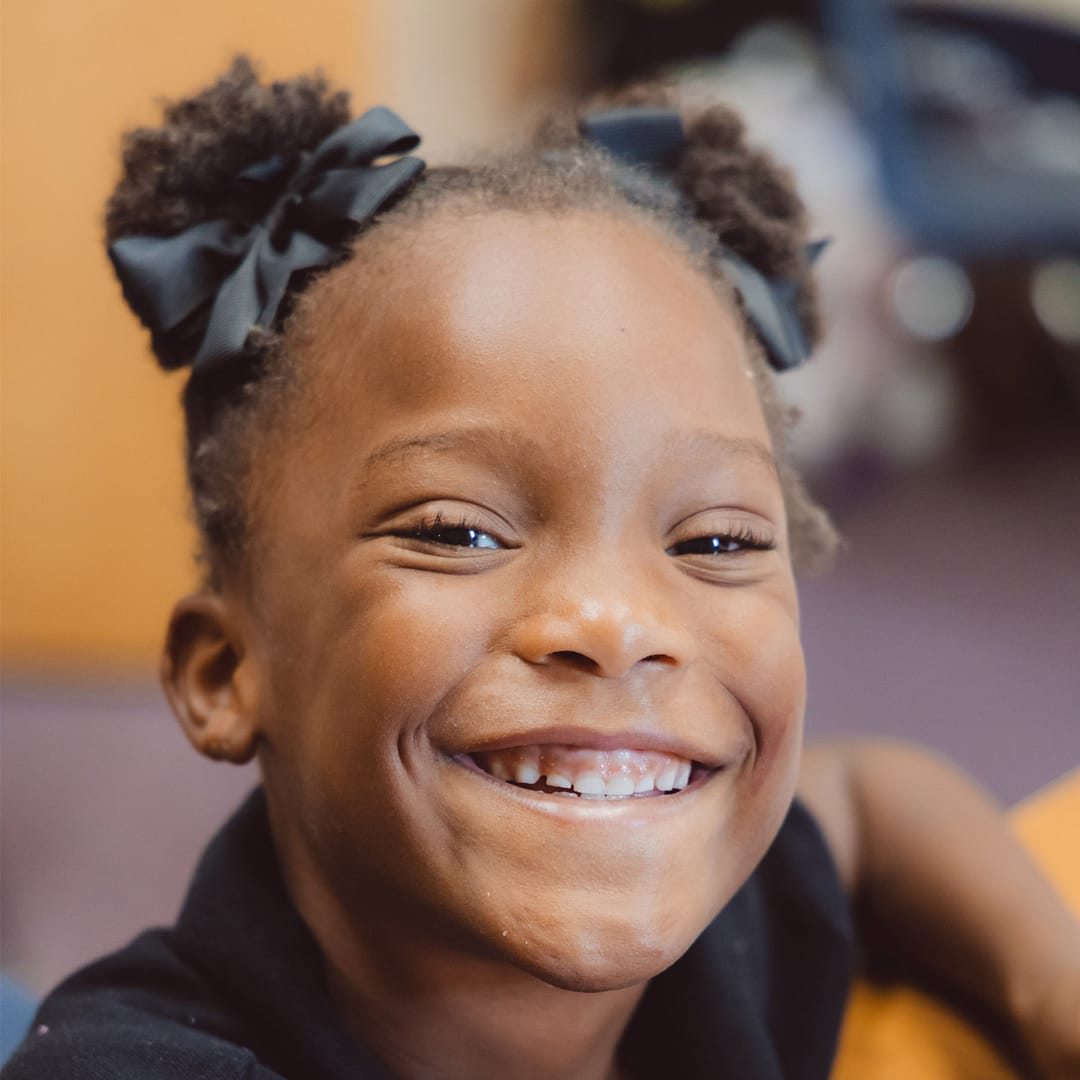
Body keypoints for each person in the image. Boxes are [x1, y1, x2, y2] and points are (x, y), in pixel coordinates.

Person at [4, 57, 1078, 1080]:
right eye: (459, 532)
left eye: (714, 542)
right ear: (224, 673)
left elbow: (873, 802)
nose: (615, 621)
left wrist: (1050, 989)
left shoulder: (727, 944)